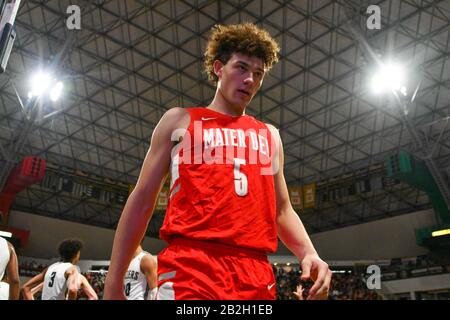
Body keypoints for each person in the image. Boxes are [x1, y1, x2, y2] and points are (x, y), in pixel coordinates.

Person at [104, 23, 331, 300]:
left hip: (256, 274)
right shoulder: (179, 121)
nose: (250, 79)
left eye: (258, 74)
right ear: (218, 68)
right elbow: (142, 200)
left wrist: (309, 252)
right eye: (241, 68)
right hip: (191, 268)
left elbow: (282, 211)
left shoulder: (269, 136)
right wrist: (114, 280)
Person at [22, 239, 91, 300]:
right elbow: (73, 290)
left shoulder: (50, 267)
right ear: (76, 255)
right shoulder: (72, 269)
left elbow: (25, 287)